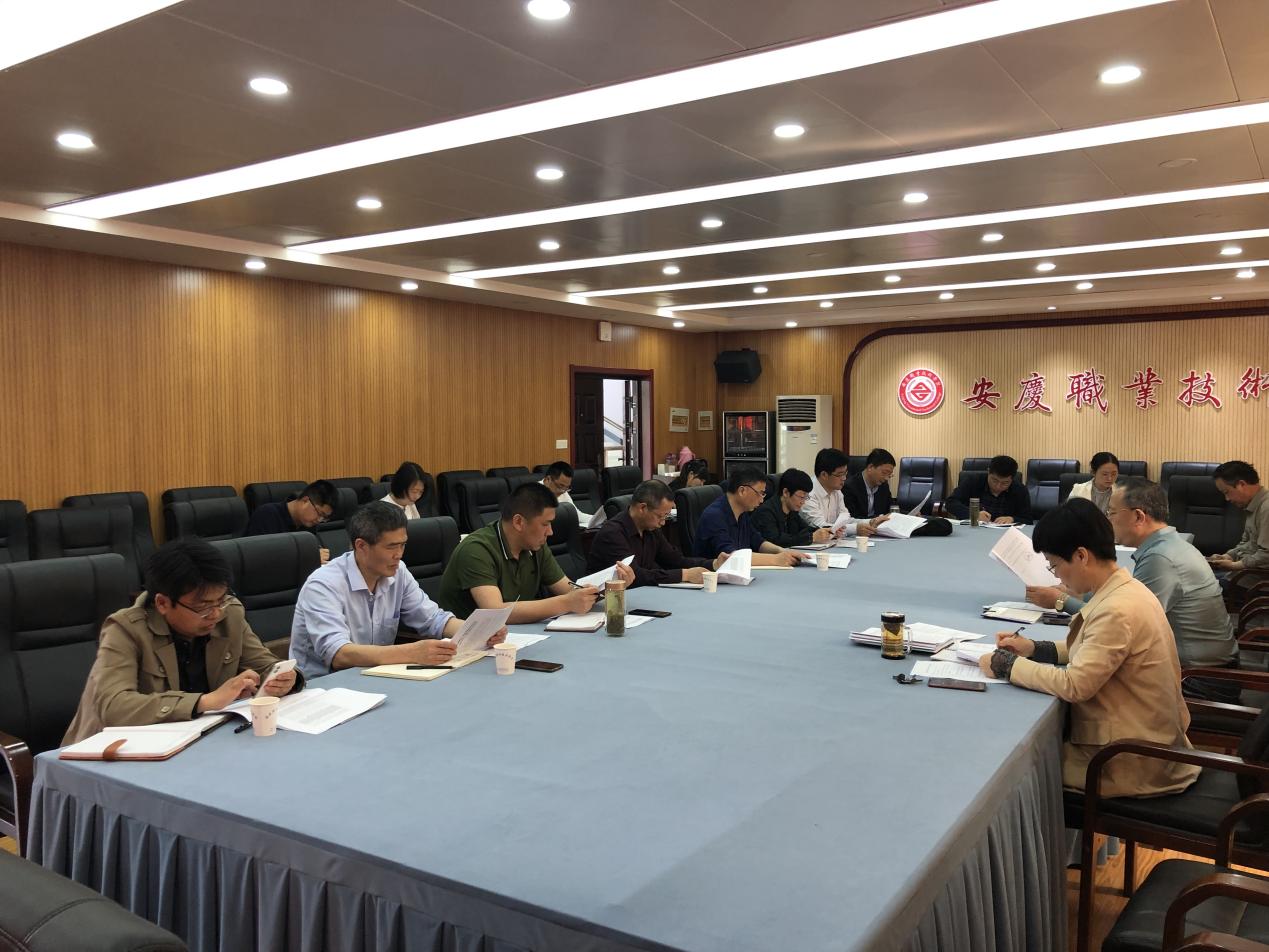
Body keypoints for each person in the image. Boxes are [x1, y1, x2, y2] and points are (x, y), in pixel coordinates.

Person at [979, 499, 1199, 798]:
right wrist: (1034, 648)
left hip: (1126, 759)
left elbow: (1075, 685)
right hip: (1143, 739)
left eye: (1054, 565)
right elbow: (1096, 649)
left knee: (1013, 772)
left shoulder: (1117, 609)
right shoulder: (1126, 589)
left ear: (1081, 556)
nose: (1056, 576)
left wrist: (1006, 665)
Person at [63, 539, 302, 744]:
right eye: (203, 607)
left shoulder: (229, 614)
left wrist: (286, 679)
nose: (215, 614)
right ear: (162, 603)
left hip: (197, 741)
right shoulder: (126, 629)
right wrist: (204, 701)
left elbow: (264, 664)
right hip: (117, 751)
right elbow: (114, 707)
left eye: (220, 600)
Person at [1026, 478, 1239, 701]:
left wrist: (1061, 601)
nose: (1108, 520)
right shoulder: (1168, 546)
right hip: (1204, 666)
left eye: (1111, 512)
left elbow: (1116, 621)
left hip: (1202, 677)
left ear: (1138, 516)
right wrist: (1079, 593)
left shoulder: (1160, 559)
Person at [289, 502, 505, 680]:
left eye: (403, 545)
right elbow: (339, 654)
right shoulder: (324, 585)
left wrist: (479, 631)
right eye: (391, 547)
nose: (399, 554)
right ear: (361, 546)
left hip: (375, 677)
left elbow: (433, 619)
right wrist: (411, 652)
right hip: (324, 687)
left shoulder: (397, 571)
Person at [438, 482, 633, 623]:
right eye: (545, 524)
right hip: (466, 647)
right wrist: (566, 603)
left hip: (515, 637)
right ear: (519, 522)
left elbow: (568, 589)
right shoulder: (476, 549)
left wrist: (610, 587)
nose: (551, 532)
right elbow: (495, 611)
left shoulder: (534, 546)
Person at [586, 480, 724, 587]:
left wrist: (714, 564)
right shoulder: (612, 533)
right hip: (604, 602)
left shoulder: (651, 529)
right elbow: (636, 575)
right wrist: (685, 575)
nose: (663, 522)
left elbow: (675, 560)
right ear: (642, 508)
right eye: (660, 516)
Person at [692, 466, 803, 565]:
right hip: (713, 577)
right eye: (760, 493)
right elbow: (731, 556)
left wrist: (783, 552)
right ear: (742, 491)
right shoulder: (714, 516)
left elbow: (757, 542)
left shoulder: (742, 512)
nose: (762, 500)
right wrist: (776, 559)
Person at [800, 448, 889, 538]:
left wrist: (871, 521)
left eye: (845, 473)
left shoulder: (836, 491)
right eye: (840, 474)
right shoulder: (807, 493)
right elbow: (822, 527)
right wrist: (855, 529)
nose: (844, 478)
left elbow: (846, 520)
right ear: (824, 475)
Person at [1208, 460, 1269, 575]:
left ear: (1241, 485)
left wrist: (1235, 566)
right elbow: (1247, 543)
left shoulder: (1266, 508)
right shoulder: (1252, 506)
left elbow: (1267, 555)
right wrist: (1228, 556)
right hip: (1242, 575)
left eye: (1226, 492)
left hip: (1254, 580)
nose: (1227, 499)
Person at [751, 469, 834, 549]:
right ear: (785, 492)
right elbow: (775, 540)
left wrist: (827, 530)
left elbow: (805, 529)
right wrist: (811, 537)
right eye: (801, 497)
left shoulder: (792, 511)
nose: (803, 502)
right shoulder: (766, 512)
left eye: (806, 497)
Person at [945, 455, 1032, 524]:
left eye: (1005, 483)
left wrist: (1012, 519)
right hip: (975, 529)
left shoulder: (1020, 490)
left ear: (1012, 479)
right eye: (994, 480)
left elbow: (1028, 519)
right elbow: (950, 503)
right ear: (988, 471)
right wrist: (973, 514)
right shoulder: (973, 481)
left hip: (1004, 533)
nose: (998, 486)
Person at [245, 479, 338, 536]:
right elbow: (257, 556)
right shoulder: (266, 515)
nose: (319, 520)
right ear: (305, 500)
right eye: (320, 513)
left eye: (324, 518)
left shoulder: (309, 525)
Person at [841, 448, 896, 519]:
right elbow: (851, 518)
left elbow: (890, 509)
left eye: (889, 475)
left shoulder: (883, 485)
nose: (886, 478)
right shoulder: (849, 487)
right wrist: (876, 519)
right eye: (884, 473)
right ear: (870, 467)